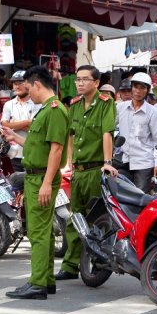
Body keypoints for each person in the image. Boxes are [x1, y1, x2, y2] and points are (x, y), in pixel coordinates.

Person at [4, 66, 69, 299]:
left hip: (41, 177)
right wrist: (15, 138)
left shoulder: (54, 110)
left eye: (28, 88)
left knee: (38, 231)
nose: (27, 92)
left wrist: (46, 183)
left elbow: (56, 149)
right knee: (42, 231)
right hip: (36, 175)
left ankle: (38, 282)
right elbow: (38, 148)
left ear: (38, 84)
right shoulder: (45, 111)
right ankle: (46, 279)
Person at [57, 65, 117, 282]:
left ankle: (98, 260)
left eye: (85, 79)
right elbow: (71, 136)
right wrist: (69, 163)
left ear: (96, 83)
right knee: (75, 219)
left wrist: (108, 162)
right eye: (77, 79)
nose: (80, 83)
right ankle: (70, 266)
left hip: (95, 169)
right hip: (78, 172)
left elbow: (107, 133)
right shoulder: (74, 104)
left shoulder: (105, 103)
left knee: (95, 219)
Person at [116, 72, 157, 193]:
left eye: (142, 87)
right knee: (120, 195)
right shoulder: (120, 108)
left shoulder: (153, 112)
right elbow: (109, 128)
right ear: (131, 88)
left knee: (140, 197)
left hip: (144, 162)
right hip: (124, 159)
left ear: (147, 90)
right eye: (136, 87)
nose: (138, 91)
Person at [1, 70, 42, 173]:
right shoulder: (8, 104)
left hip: (32, 152)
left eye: (20, 83)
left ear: (28, 84)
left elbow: (36, 128)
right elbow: (4, 125)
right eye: (15, 84)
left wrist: (12, 125)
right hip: (13, 153)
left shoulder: (37, 103)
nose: (17, 87)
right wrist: (27, 122)